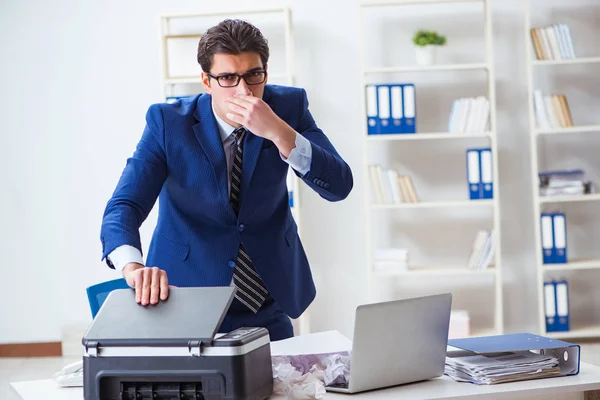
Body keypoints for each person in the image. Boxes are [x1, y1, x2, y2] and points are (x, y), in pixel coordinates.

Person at [100, 19, 353, 341]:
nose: (244, 91)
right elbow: (125, 205)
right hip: (185, 296)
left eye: (253, 75)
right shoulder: (168, 122)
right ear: (206, 81)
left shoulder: (288, 108)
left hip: (268, 292)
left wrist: (278, 132)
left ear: (265, 72)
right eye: (228, 78)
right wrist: (132, 267)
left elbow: (339, 186)